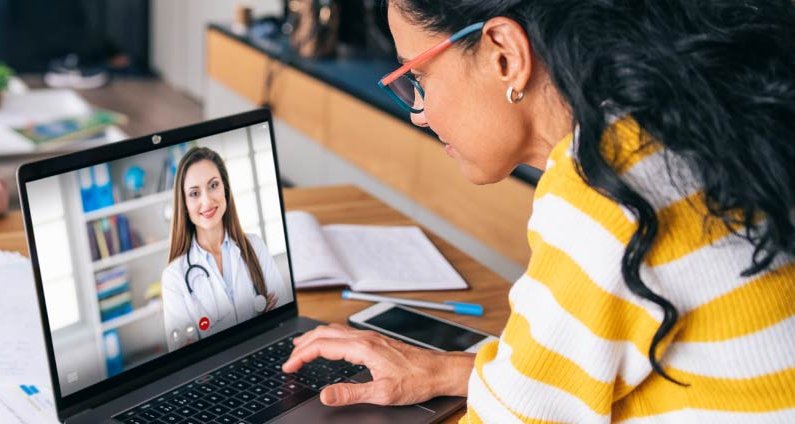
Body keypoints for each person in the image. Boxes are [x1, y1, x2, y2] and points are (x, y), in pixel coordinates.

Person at [282, 0, 795, 421]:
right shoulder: (679, 129)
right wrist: (452, 372)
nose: (418, 113)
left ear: (505, 53)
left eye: (418, 78)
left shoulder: (605, 190)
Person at [162, 147, 288, 352]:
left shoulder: (255, 246)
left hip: (268, 357)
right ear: (184, 204)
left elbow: (282, 322)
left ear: (225, 189)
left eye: (213, 185)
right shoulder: (174, 278)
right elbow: (185, 357)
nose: (207, 201)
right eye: (194, 193)